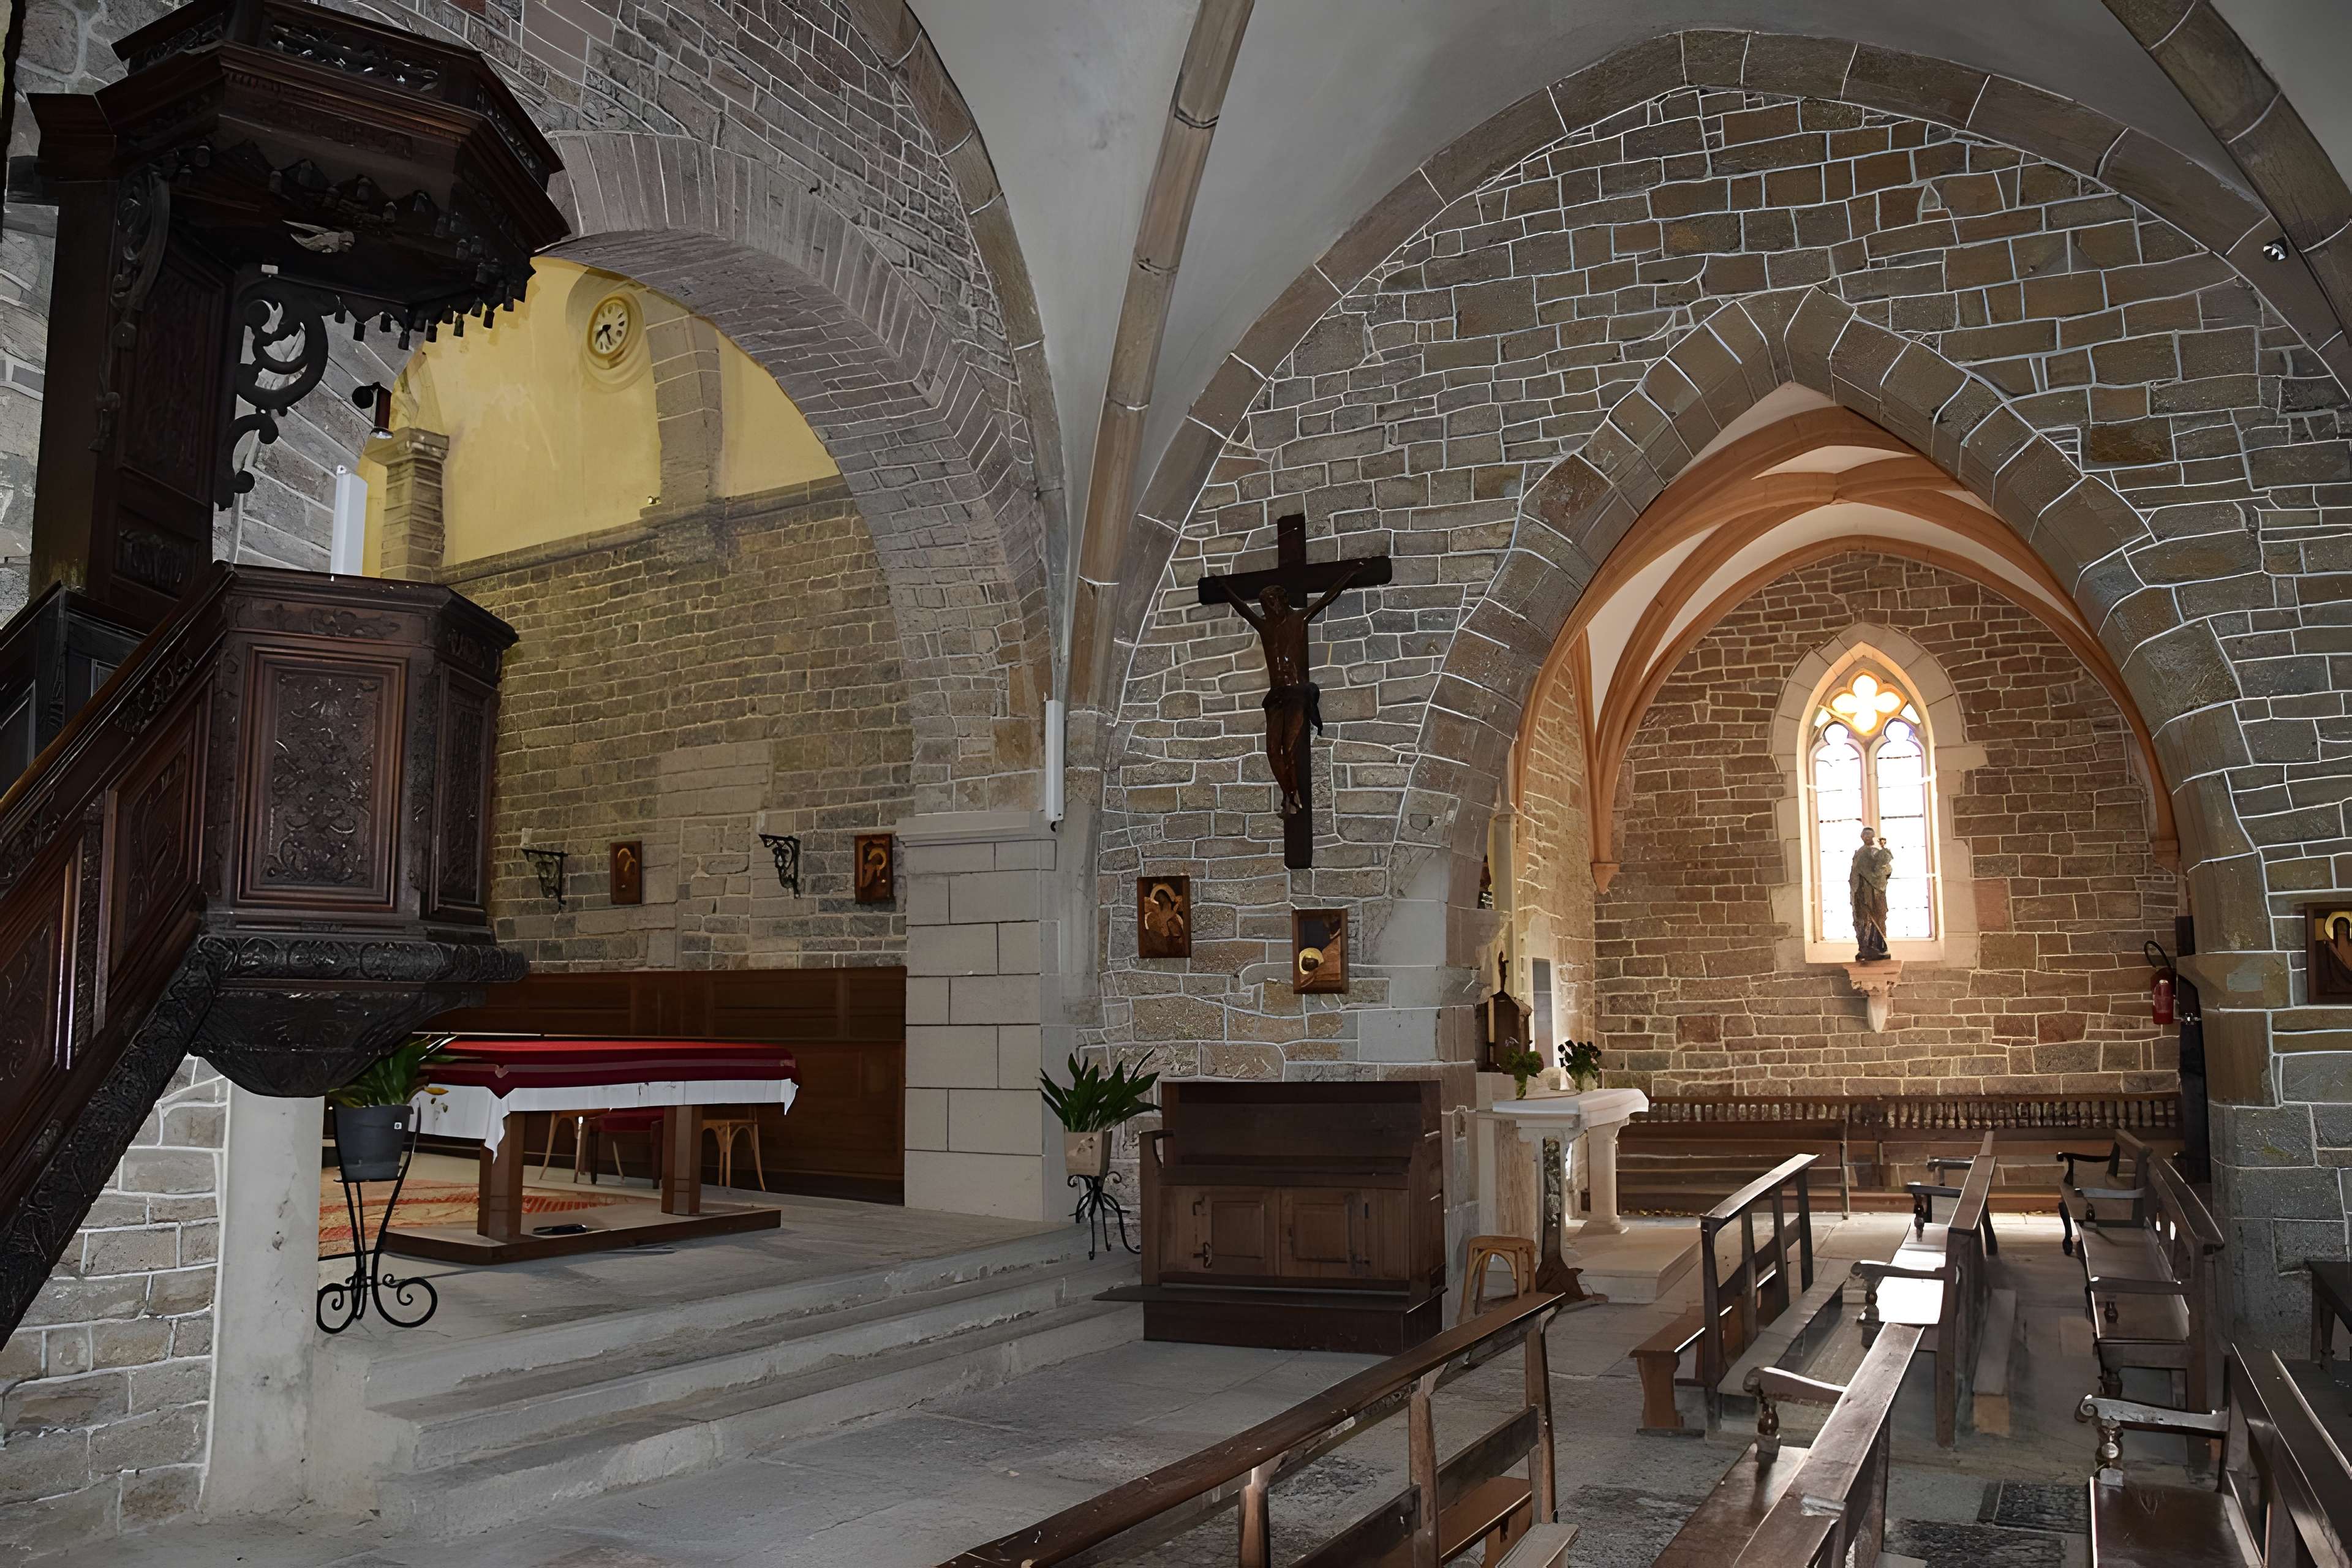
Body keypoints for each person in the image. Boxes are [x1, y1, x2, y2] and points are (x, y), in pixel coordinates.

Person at [1216, 565, 1364, 816]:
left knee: (1291, 745)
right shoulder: (1265, 628)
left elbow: (1327, 597)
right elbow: (1241, 608)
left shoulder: (1299, 620)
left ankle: (1292, 796)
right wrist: (1223, 588)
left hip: (1297, 693)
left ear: (1283, 602)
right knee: (1273, 750)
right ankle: (1289, 793)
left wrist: (1350, 574)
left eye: (1272, 603)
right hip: (1276, 697)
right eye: (1264, 605)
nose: (1268, 609)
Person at [1850, 825, 1894, 962]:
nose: (1868, 838)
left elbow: (1884, 870)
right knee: (1863, 919)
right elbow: (1855, 875)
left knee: (1878, 917)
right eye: (1865, 836)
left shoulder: (1876, 852)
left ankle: (1879, 947)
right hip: (1862, 894)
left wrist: (1884, 854)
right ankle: (1865, 947)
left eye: (1870, 836)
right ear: (1862, 837)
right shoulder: (1860, 854)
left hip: (1875, 894)